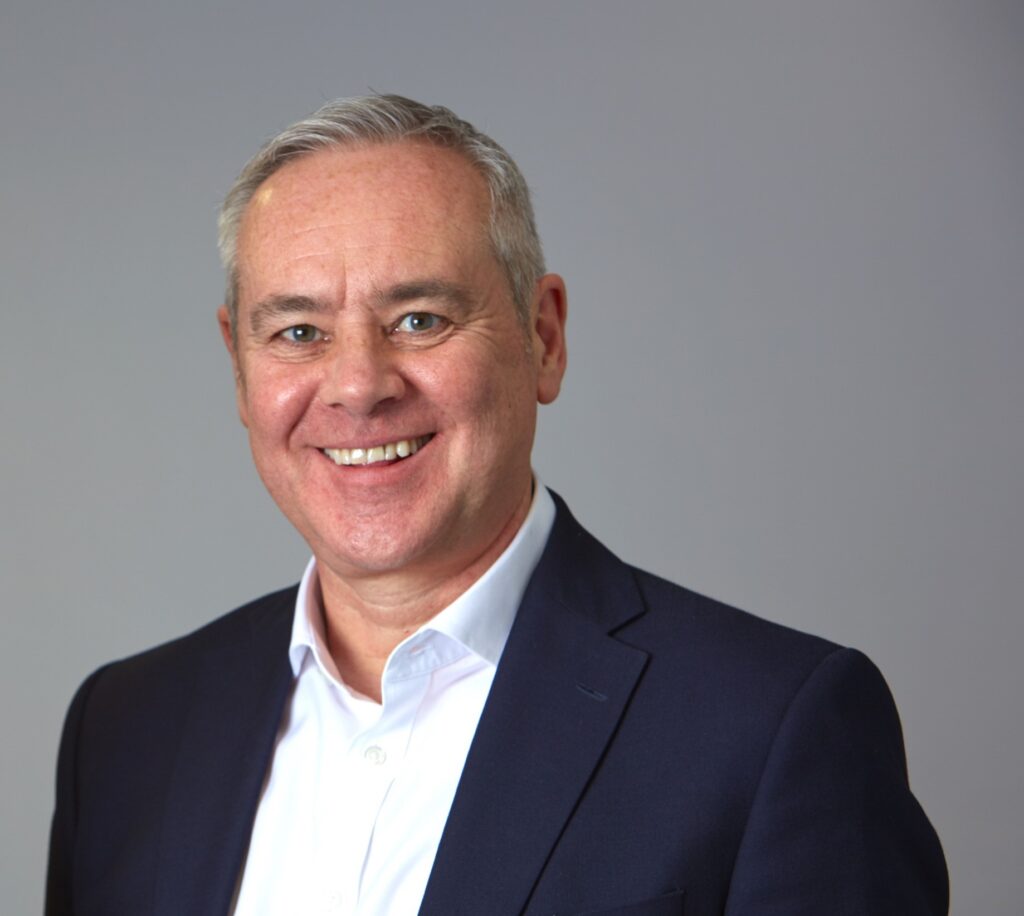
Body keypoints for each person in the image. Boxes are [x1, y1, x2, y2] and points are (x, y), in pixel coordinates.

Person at [45, 94, 948, 916]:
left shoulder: (773, 731)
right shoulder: (127, 731)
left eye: (420, 319)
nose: (358, 387)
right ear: (238, 366)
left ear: (543, 337)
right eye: (298, 332)